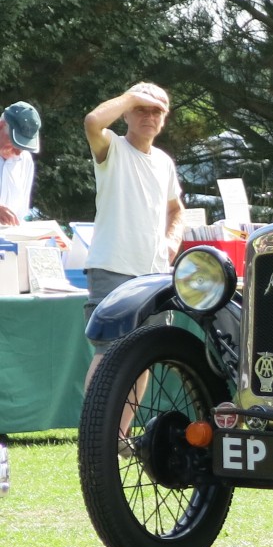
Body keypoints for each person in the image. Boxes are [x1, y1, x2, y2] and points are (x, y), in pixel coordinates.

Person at [82, 82, 185, 388]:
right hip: (111, 267)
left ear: (164, 119)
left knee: (143, 359)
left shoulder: (164, 162)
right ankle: (94, 436)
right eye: (141, 109)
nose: (149, 116)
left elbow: (176, 209)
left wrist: (171, 242)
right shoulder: (112, 147)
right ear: (126, 113)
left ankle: (119, 437)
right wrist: (131, 96)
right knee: (108, 355)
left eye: (156, 111)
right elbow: (92, 121)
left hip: (152, 274)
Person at [0, 101, 42, 225]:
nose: (18, 152)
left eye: (23, 146)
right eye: (14, 144)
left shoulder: (25, 159)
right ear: (1, 126)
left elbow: (20, 213)